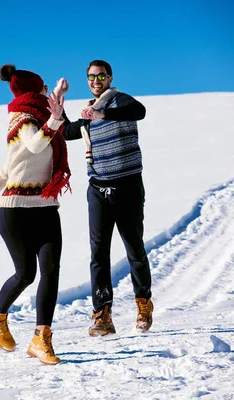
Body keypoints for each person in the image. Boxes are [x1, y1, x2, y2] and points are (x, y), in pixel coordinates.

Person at [0, 64, 71, 365]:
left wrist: (55, 111)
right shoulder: (23, 120)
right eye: (44, 88)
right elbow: (33, 147)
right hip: (15, 212)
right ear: (35, 92)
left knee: (51, 271)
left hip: (45, 209)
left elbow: (9, 167)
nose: (48, 92)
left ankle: (41, 339)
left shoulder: (41, 117)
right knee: (26, 274)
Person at [62, 60, 153, 337]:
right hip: (98, 190)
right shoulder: (89, 114)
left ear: (109, 77)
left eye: (100, 75)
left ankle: (143, 304)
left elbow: (140, 111)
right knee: (98, 254)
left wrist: (104, 116)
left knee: (134, 248)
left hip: (127, 187)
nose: (95, 80)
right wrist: (57, 110)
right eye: (91, 77)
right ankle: (102, 316)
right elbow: (67, 132)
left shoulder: (119, 102)